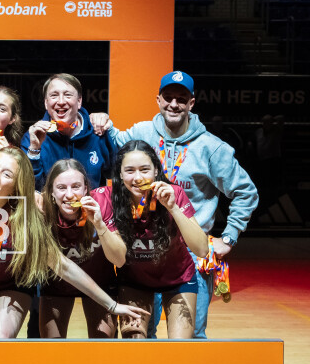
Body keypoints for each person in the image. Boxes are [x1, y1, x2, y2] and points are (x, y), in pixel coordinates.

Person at [101, 70, 259, 338]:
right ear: (158, 100)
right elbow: (109, 140)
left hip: (190, 253)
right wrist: (99, 119)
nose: (174, 104)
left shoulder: (211, 148)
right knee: (140, 335)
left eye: (181, 99)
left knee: (191, 338)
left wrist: (229, 237)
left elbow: (246, 192)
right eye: (168, 97)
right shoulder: (140, 133)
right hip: (145, 251)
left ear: (191, 103)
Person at [0, 147, 147, 339]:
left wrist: (112, 305)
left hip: (14, 283)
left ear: (16, 186)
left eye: (7, 174)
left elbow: (62, 265)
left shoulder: (25, 216)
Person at [91, 141, 209, 339]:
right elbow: (118, 260)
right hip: (134, 281)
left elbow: (202, 249)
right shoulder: (106, 198)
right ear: (119, 174)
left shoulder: (174, 193)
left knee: (179, 349)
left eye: (144, 170)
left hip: (178, 278)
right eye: (130, 170)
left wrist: (172, 208)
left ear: (156, 171)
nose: (138, 178)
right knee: (135, 344)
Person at [39, 159, 122, 338]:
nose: (70, 195)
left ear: (86, 189)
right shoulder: (41, 210)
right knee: (52, 348)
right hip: (57, 285)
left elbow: (120, 260)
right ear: (51, 192)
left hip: (100, 282)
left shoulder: (103, 202)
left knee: (103, 346)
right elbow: (63, 267)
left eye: (76, 186)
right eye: (61, 188)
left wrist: (100, 225)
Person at [21, 73, 115, 191]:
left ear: (79, 101)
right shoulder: (32, 138)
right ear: (46, 103)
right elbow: (30, 189)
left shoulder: (97, 132)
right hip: (49, 203)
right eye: (54, 95)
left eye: (67, 95)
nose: (61, 101)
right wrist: (34, 150)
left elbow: (115, 173)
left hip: (89, 203)